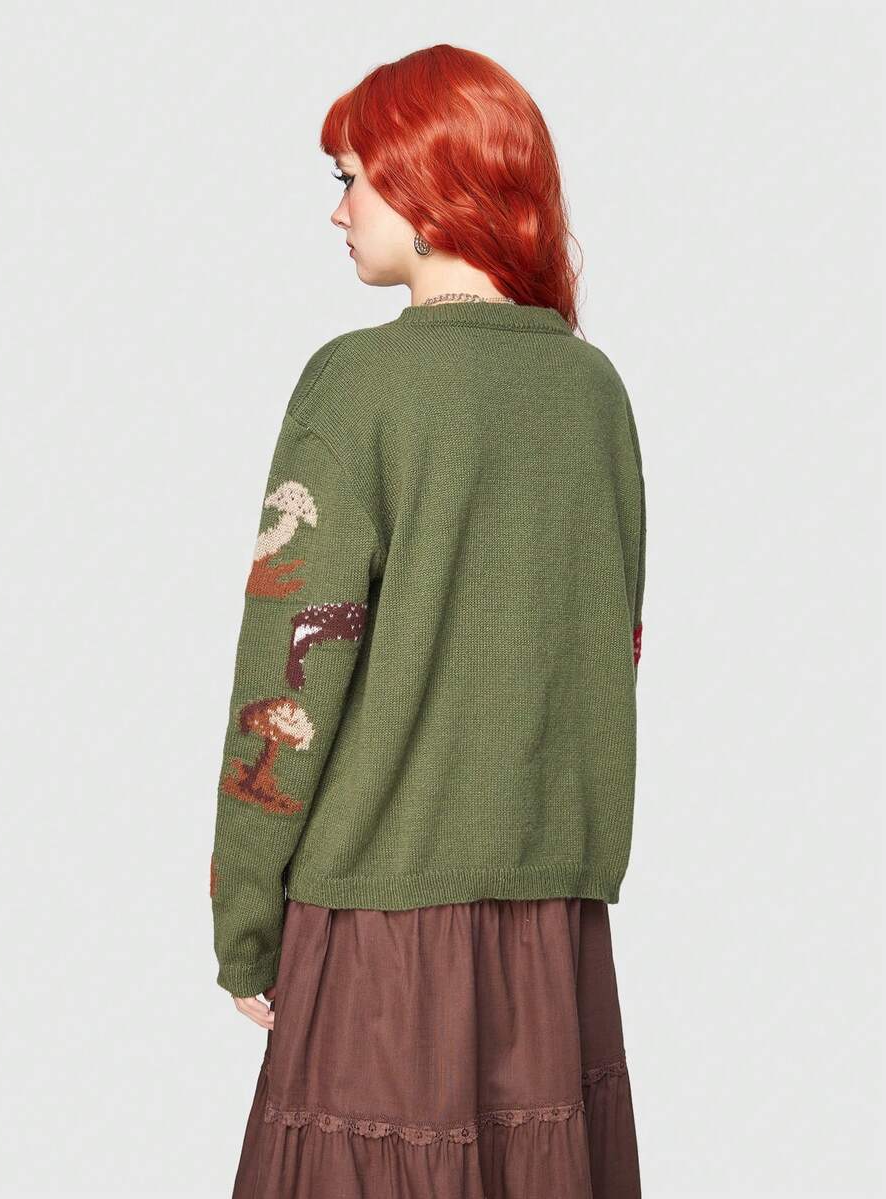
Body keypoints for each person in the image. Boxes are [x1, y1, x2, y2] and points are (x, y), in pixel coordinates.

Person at [210, 42, 646, 1199]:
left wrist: (245, 916)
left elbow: (289, 672)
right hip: (551, 932)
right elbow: (617, 645)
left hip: (380, 916)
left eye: (352, 178)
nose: (339, 210)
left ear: (431, 180)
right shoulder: (594, 391)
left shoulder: (358, 384)